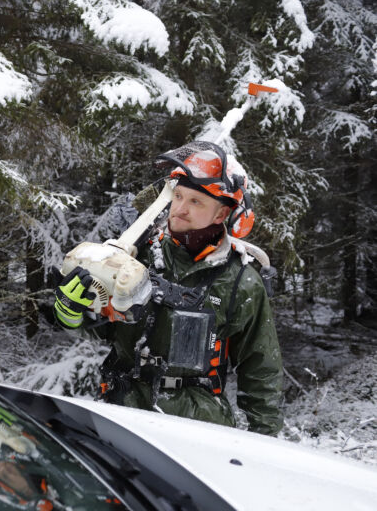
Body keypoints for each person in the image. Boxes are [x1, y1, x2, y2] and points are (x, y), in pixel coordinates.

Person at [54, 141, 284, 436]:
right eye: (178, 196)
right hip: (123, 410)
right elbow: (104, 326)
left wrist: (263, 444)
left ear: (220, 215)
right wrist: (72, 314)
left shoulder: (241, 281)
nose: (180, 210)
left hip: (199, 425)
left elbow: (261, 369)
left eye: (195, 202)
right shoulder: (139, 256)